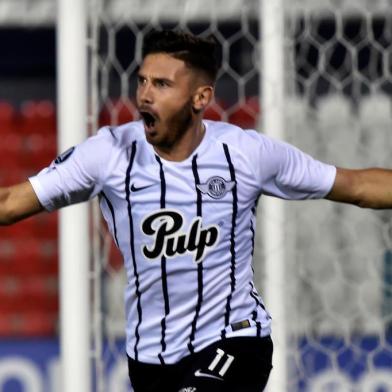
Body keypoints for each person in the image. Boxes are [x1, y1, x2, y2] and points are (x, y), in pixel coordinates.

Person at [0, 29, 391, 392]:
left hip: (235, 338)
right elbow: (10, 203)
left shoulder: (246, 153)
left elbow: (355, 186)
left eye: (162, 84)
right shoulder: (108, 154)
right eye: (142, 81)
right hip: (150, 357)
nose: (145, 95)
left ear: (200, 98)